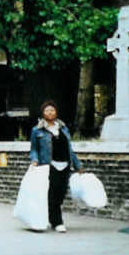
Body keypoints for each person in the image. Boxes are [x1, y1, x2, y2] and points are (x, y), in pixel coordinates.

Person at [29, 100, 83, 233]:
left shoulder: (63, 128)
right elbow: (34, 149)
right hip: (49, 165)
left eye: (52, 110)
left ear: (56, 112)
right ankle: (57, 221)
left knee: (61, 193)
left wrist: (78, 165)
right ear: (43, 113)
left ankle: (51, 218)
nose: (50, 112)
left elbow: (70, 149)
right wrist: (34, 160)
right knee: (52, 193)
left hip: (65, 165)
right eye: (47, 110)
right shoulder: (37, 130)